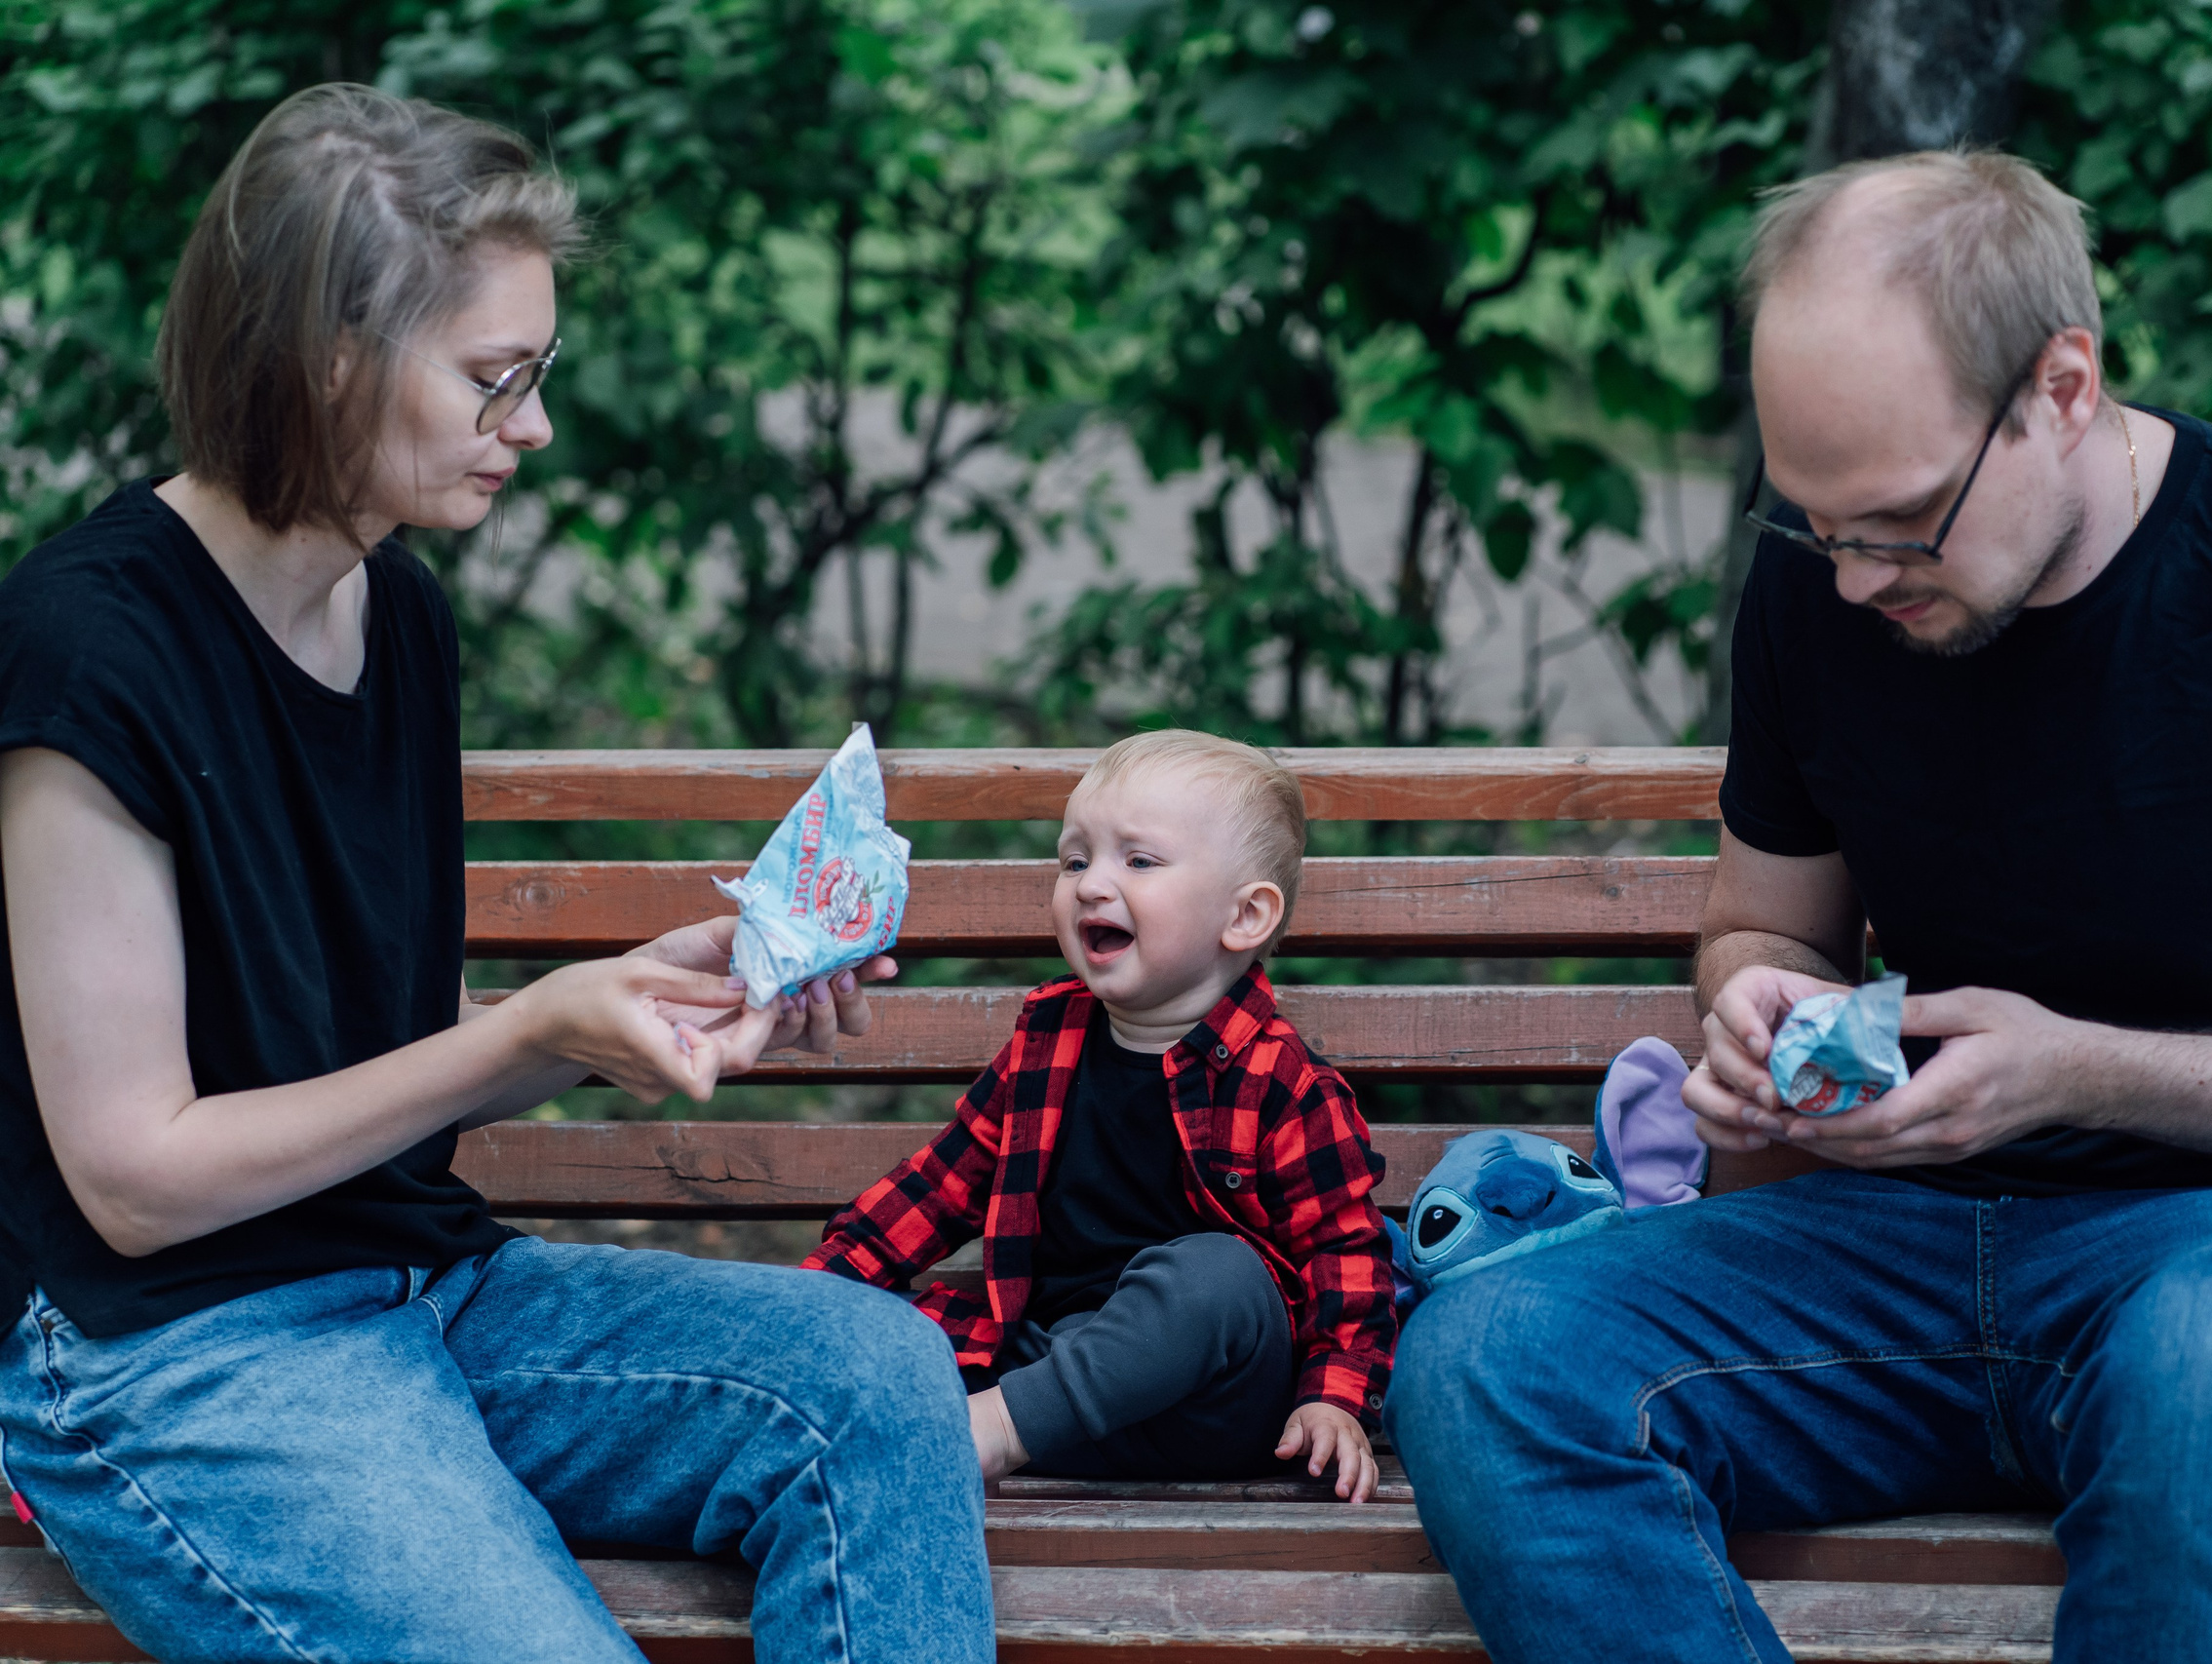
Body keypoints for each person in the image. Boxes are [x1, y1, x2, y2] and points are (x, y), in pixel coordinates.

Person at [1388, 148, 2212, 1662]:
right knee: (1489, 1355)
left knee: (2206, 1367)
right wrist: (1752, 1004)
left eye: (1901, 522)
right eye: (1816, 522)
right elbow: (1768, 922)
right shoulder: (1822, 593)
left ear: (2063, 386)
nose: (1852, 580)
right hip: (1896, 1248)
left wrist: (2089, 1068)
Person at [0, 86, 989, 1664]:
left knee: (870, 1383)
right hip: (167, 1357)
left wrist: (664, 994)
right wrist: (530, 1030)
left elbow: (376, 1052)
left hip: (424, 1288)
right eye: (492, 378)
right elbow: (133, 1176)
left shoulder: (401, 617)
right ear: (330, 357)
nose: (530, 425)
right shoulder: (88, 646)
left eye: (535, 374)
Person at [808, 730, 1394, 1501]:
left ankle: (996, 1431)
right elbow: (939, 1187)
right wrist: (815, 1303)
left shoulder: (1283, 1080)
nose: (1090, 884)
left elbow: (1344, 1254)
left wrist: (1332, 1395)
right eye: (1075, 859)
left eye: (1138, 861)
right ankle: (976, 1420)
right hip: (1044, 1369)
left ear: (1245, 915)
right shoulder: (1045, 1046)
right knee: (910, 1334)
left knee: (1218, 1274)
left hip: (1209, 1406)